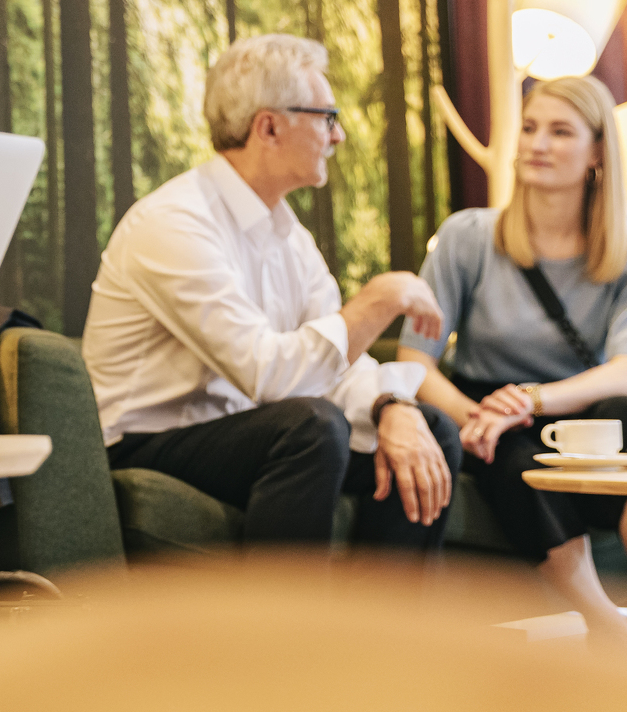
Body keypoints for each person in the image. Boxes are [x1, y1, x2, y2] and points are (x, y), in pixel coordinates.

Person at [83, 34, 462, 550]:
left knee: (430, 428)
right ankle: (279, 632)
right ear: (269, 126)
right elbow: (267, 373)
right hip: (144, 441)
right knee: (310, 427)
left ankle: (378, 628)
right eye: (328, 117)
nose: (340, 135)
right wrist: (375, 304)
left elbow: (336, 367)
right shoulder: (173, 223)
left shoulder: (288, 235)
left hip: (253, 432)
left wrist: (393, 404)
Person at [398, 76, 627, 652]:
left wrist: (530, 401)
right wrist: (478, 416)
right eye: (529, 128)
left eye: (559, 132)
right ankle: (612, 632)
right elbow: (414, 361)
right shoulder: (466, 238)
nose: (537, 144)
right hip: (481, 412)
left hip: (576, 407)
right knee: (516, 458)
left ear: (598, 151)